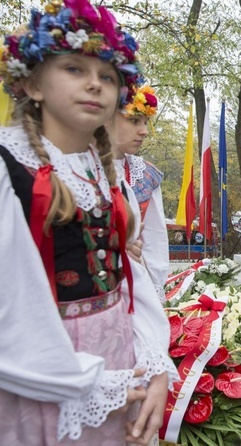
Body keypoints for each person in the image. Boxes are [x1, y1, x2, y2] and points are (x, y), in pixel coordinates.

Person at [0, 1, 178, 445]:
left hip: (119, 356)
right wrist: (87, 384)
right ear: (31, 83)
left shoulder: (103, 173)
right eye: (74, 69)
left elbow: (128, 278)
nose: (95, 85)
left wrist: (154, 365)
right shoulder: (10, 170)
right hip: (46, 376)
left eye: (108, 77)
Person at [111, 83, 170, 302]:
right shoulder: (77, 168)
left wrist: (155, 289)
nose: (144, 131)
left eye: (145, 122)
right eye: (134, 121)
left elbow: (155, 237)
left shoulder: (145, 174)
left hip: (136, 285)